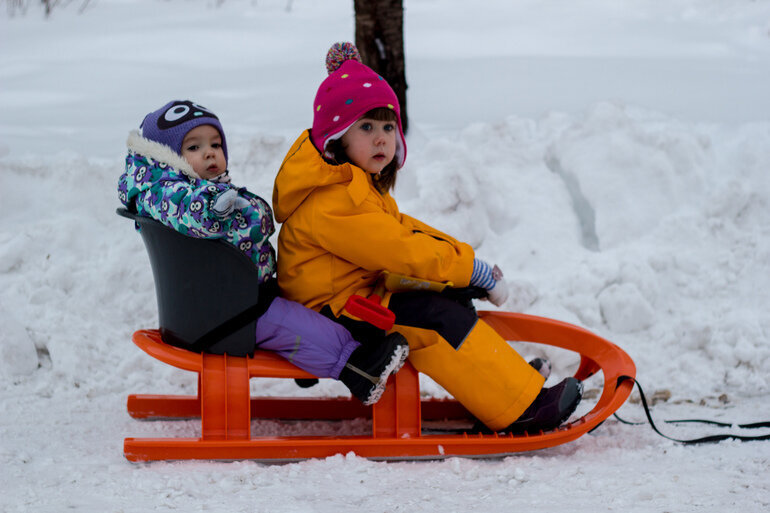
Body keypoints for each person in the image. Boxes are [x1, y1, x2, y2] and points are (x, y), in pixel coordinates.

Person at [272, 43, 582, 434]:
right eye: (366, 127)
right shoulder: (331, 202)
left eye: (387, 126)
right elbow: (400, 250)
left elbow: (403, 229)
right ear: (336, 137)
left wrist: (464, 266)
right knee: (434, 320)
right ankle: (522, 408)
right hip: (329, 316)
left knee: (448, 297)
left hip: (353, 298)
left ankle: (502, 385)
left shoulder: (352, 185)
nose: (381, 139)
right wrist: (469, 269)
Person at [118, 99, 408, 405]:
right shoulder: (170, 195)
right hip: (230, 314)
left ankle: (316, 361)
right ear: (167, 156)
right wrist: (213, 209)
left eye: (215, 144)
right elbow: (188, 211)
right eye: (193, 147)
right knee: (298, 326)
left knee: (302, 317)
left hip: (234, 301)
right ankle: (361, 369)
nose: (209, 152)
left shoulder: (193, 190)